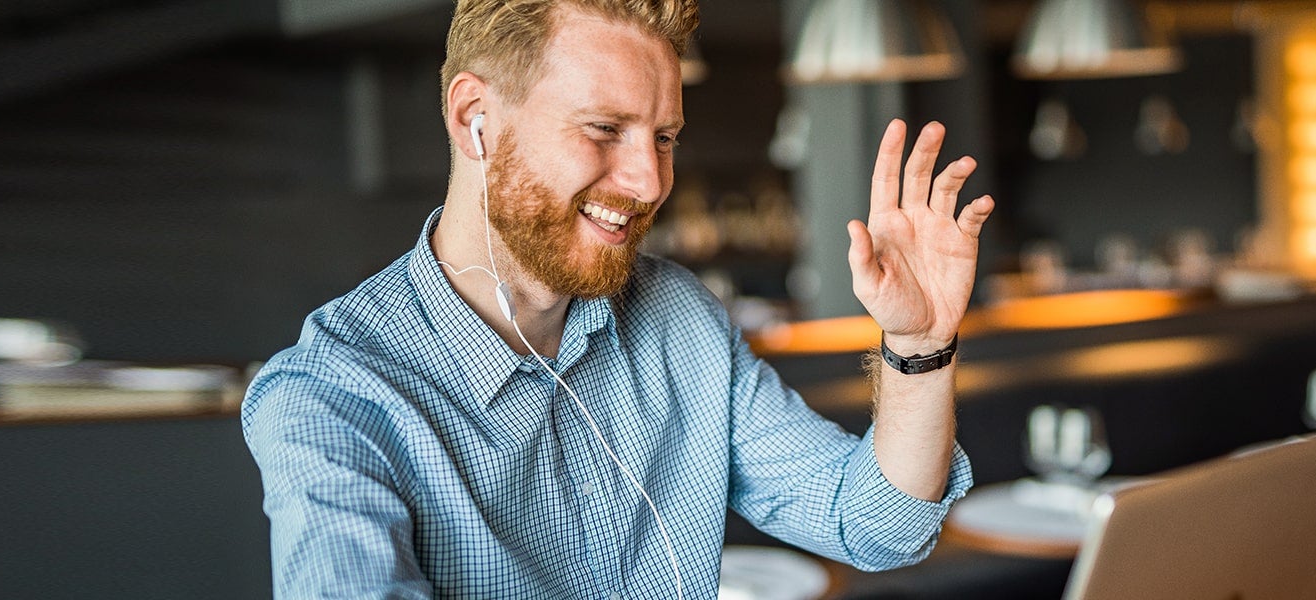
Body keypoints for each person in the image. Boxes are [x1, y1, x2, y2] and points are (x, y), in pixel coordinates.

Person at [240, 0, 997, 597]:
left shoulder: (681, 320)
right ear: (476, 119)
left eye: (664, 137)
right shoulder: (333, 398)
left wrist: (919, 343)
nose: (648, 182)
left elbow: (879, 528)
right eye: (605, 129)